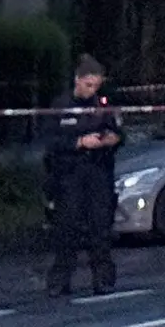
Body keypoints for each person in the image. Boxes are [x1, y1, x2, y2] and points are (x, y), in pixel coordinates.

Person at [42, 56, 125, 296]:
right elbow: (50, 141)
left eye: (96, 86)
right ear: (77, 80)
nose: (92, 91)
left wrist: (111, 139)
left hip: (98, 172)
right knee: (66, 228)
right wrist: (78, 142)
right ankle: (60, 280)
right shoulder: (60, 105)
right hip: (69, 174)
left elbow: (119, 133)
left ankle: (103, 279)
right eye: (88, 85)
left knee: (100, 227)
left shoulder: (103, 105)